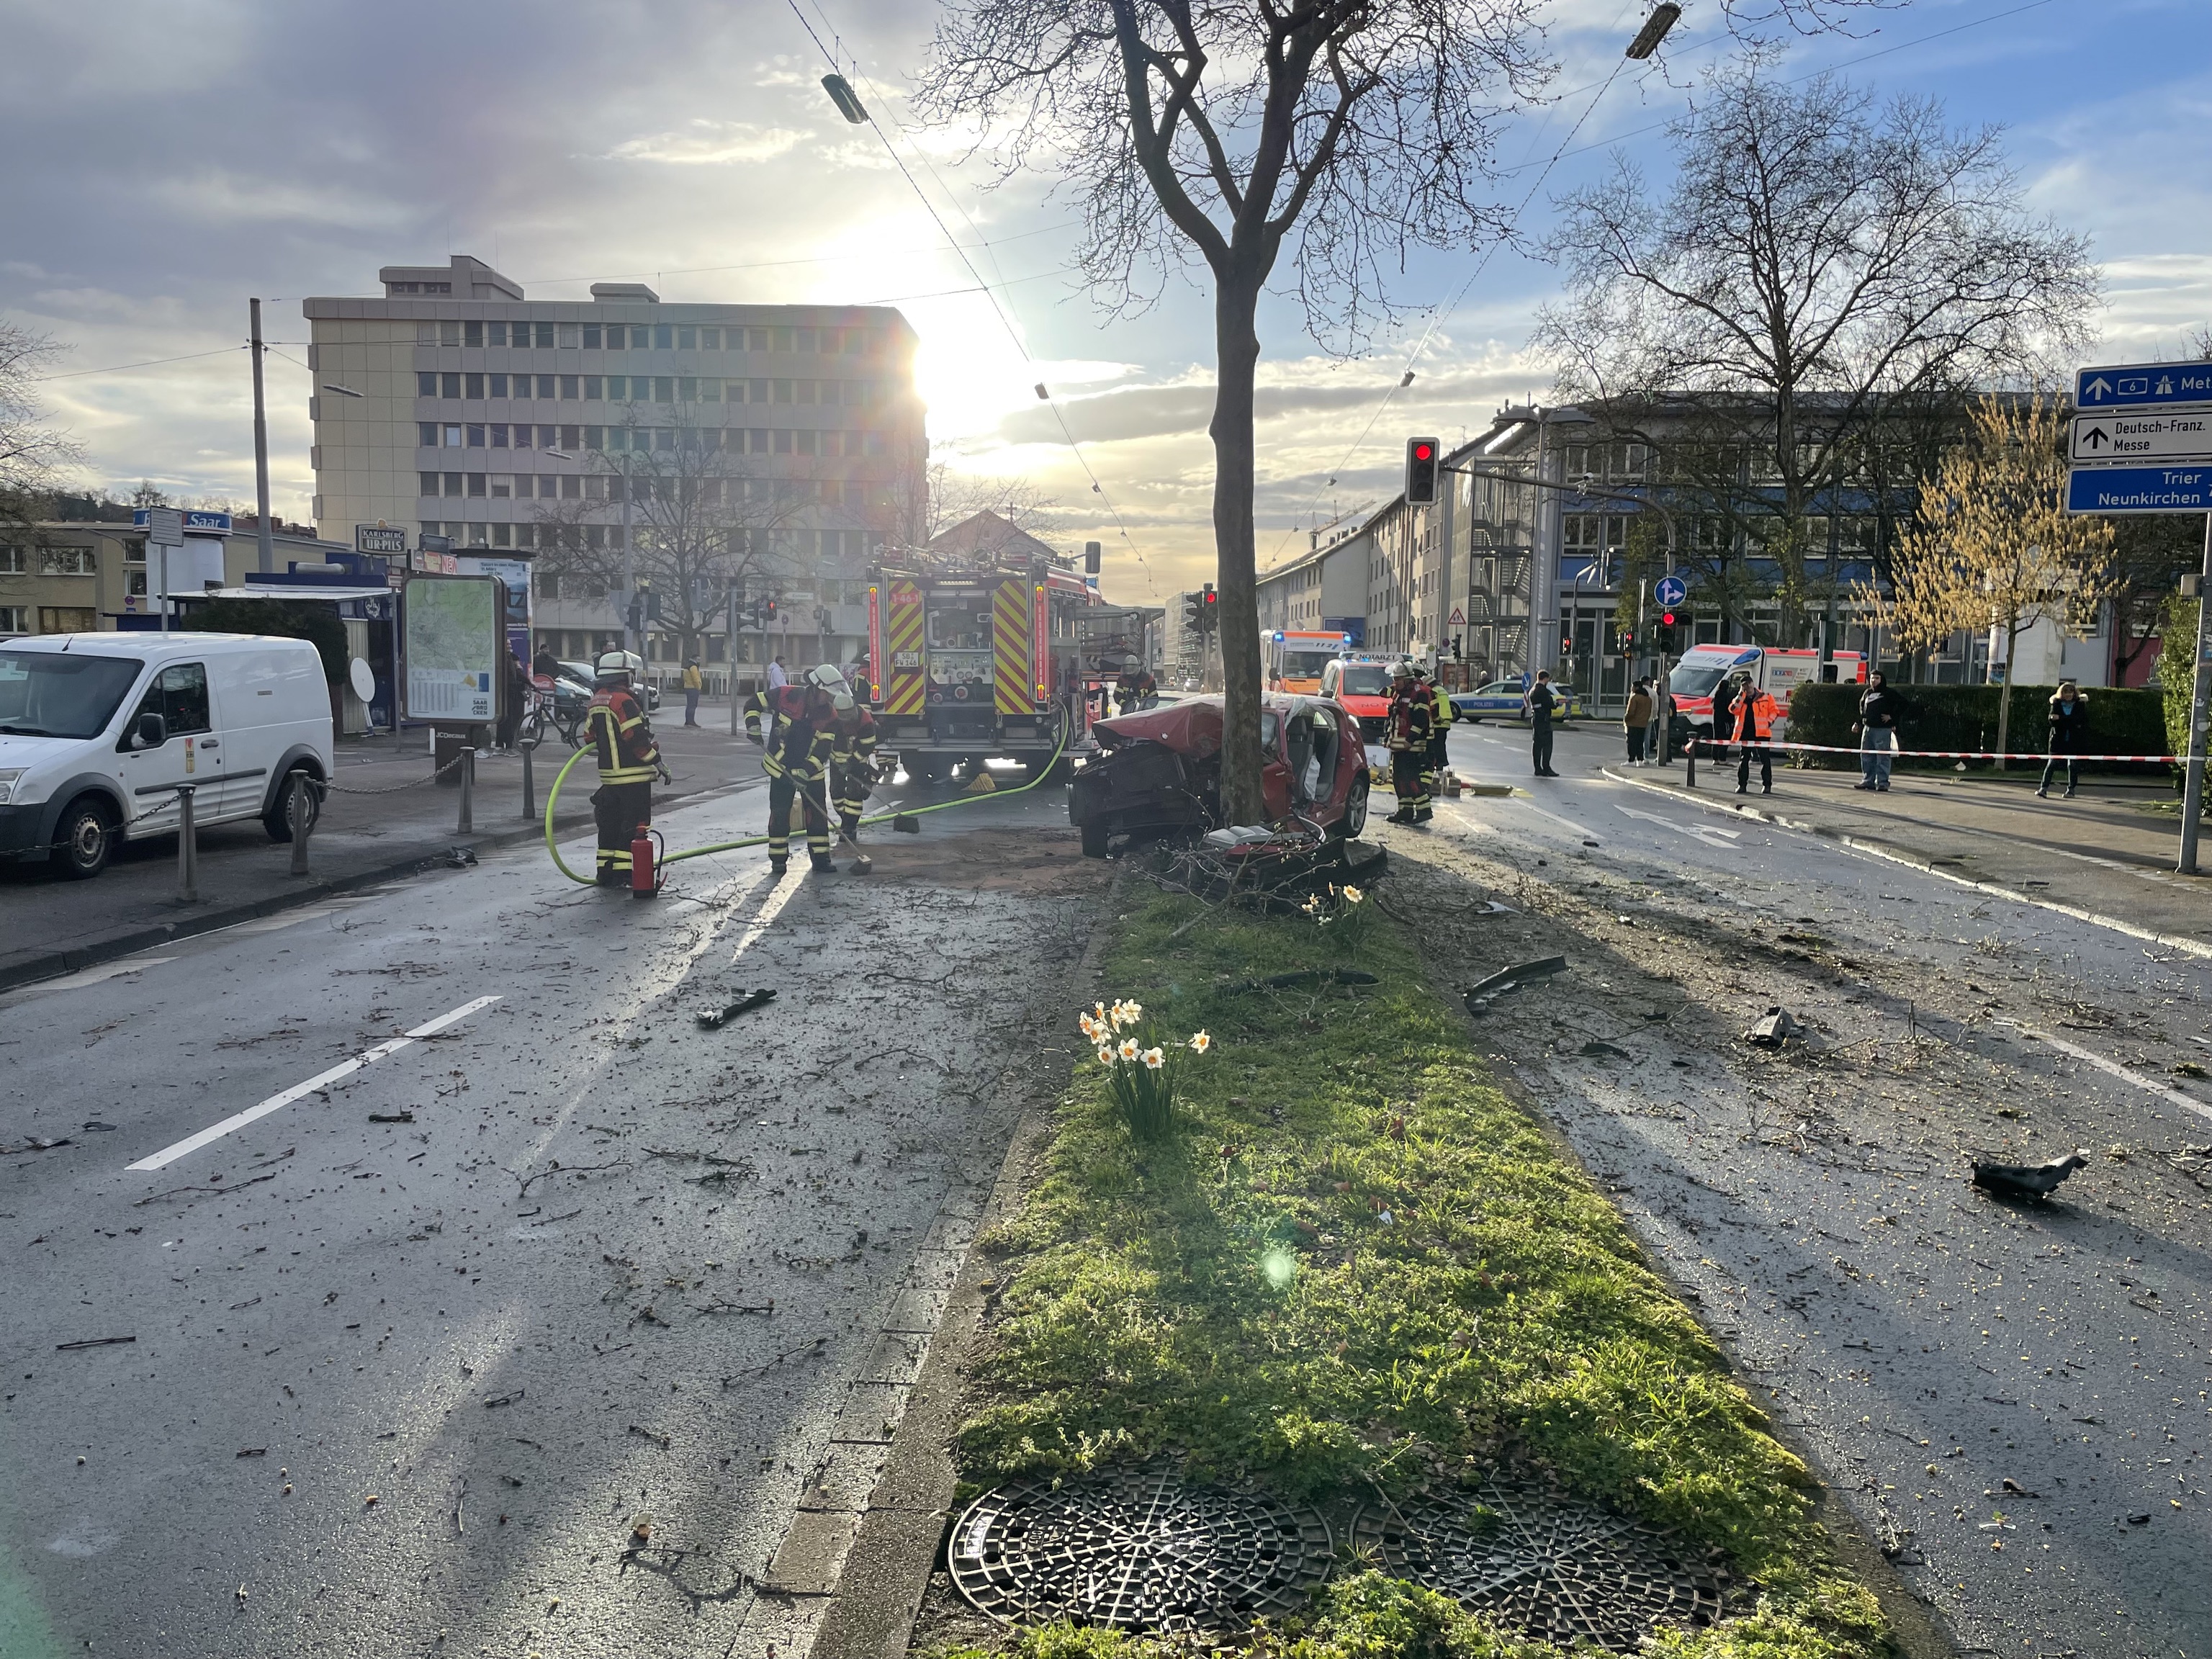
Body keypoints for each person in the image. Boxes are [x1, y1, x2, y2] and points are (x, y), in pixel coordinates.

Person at [744, 664, 848, 874]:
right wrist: (753, 725)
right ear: (816, 688)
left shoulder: (830, 716)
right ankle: (778, 860)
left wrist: (806, 772)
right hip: (780, 767)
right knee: (780, 813)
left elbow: (823, 750)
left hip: (811, 773)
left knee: (817, 815)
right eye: (827, 694)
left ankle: (821, 859)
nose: (829, 699)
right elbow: (754, 702)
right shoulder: (787, 695)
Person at [585, 651, 665, 888]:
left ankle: (606, 872)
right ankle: (628, 874)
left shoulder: (597, 700)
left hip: (609, 778)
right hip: (633, 776)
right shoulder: (624, 700)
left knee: (609, 824)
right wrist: (657, 761)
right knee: (633, 826)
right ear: (624, 675)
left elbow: (588, 737)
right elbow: (636, 740)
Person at [1384, 662, 1432, 824]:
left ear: (1407, 679)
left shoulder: (1420, 693)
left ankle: (1424, 810)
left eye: (1398, 679)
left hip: (1412, 746)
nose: (1395, 683)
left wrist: (1410, 741)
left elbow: (1420, 720)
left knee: (1411, 778)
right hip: (1399, 745)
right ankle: (1405, 811)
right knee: (1399, 778)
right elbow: (1394, 717)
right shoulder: (1399, 693)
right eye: (1394, 679)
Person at [830, 693, 881, 843]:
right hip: (836, 761)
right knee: (836, 792)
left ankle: (850, 828)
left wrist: (852, 763)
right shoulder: (831, 718)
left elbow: (868, 746)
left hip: (858, 760)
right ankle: (845, 820)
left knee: (854, 795)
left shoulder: (865, 721)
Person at [1730, 670, 1780, 795]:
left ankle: (1767, 786)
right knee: (1744, 760)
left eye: (1749, 685)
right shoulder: (1741, 699)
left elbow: (1775, 711)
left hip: (1762, 734)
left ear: (1753, 684)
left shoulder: (1766, 697)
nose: (1748, 688)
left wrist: (1768, 723)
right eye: (1745, 686)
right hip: (1746, 733)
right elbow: (1733, 710)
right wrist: (1740, 695)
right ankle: (1742, 785)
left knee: (1765, 760)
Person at [1853, 672, 1903, 792]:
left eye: (1877, 678)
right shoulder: (1867, 693)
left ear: (1882, 679)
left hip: (1882, 730)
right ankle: (1868, 781)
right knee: (1866, 756)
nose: (1873, 681)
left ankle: (1882, 783)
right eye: (1871, 678)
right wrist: (1858, 723)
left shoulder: (1889, 693)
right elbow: (1862, 710)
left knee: (1882, 757)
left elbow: (1903, 704)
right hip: (1867, 729)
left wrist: (1892, 717)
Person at [2040, 680, 2088, 799]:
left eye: (2071, 692)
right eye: (2066, 692)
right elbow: (2052, 721)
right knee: (2051, 764)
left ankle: (2071, 790)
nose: (2068, 695)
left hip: (2073, 740)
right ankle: (2043, 788)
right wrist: (2068, 721)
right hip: (2057, 740)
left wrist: (2061, 719)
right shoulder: (2056, 704)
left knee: (2072, 765)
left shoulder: (2079, 705)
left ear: (2074, 693)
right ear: (2061, 693)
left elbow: (2079, 721)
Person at [1419, 665, 1454, 801]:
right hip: (1446, 721)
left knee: (1436, 745)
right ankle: (1442, 763)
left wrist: (1434, 720)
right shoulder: (1442, 690)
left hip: (1439, 722)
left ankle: (1440, 763)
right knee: (1441, 743)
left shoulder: (1434, 692)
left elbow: (1434, 707)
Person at [1528, 670, 1560, 777]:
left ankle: (1537, 768)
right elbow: (1549, 704)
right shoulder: (1544, 691)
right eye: (1548, 680)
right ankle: (1546, 768)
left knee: (1537, 745)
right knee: (1547, 745)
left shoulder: (1532, 690)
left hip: (1536, 718)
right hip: (1544, 720)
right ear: (1545, 679)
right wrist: (1556, 704)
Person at [1623, 678, 1655, 763]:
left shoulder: (1634, 698)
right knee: (1640, 742)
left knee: (1631, 743)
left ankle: (1631, 760)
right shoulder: (1648, 699)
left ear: (1636, 688)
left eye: (1632, 687)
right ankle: (1640, 759)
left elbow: (1631, 712)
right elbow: (1649, 711)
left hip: (1633, 724)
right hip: (1643, 724)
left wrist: (1626, 719)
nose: (1631, 688)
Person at [680, 658, 703, 727]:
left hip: (688, 687)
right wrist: (698, 687)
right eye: (698, 659)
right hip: (693, 688)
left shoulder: (687, 666)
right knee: (693, 706)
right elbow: (695, 678)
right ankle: (691, 722)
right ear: (695, 660)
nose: (699, 661)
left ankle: (688, 721)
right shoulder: (693, 667)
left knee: (689, 705)